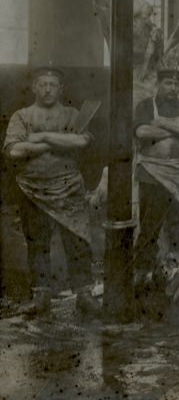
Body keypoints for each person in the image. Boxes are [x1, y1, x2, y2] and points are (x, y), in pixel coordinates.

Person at [2, 67, 100, 317]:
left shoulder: (72, 114)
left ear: (61, 89)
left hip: (68, 187)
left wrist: (41, 137)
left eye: (52, 85)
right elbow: (13, 150)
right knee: (37, 242)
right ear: (34, 87)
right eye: (42, 84)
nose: (47, 89)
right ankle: (41, 295)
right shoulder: (21, 116)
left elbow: (81, 142)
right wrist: (58, 142)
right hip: (31, 188)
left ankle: (84, 294)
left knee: (77, 241)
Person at [133, 69, 179, 288]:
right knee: (150, 224)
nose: (173, 88)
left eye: (176, 85)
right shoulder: (145, 105)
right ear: (158, 83)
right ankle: (143, 272)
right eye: (168, 83)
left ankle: (178, 271)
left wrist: (160, 123)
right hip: (153, 173)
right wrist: (176, 130)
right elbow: (142, 132)